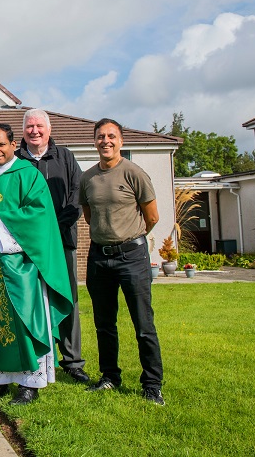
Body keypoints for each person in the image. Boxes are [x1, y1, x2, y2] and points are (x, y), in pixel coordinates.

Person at [0, 123, 73, 406]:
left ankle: (29, 385)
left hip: (22, 267)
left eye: (1, 144)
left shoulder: (29, 176)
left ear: (13, 145)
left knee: (25, 322)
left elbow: (38, 217)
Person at [80, 118, 165, 406]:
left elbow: (151, 217)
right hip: (99, 258)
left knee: (143, 324)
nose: (106, 141)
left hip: (132, 258)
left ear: (121, 141)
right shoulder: (88, 178)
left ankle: (152, 384)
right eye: (101, 136)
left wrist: (128, 238)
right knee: (104, 323)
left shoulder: (134, 173)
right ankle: (109, 377)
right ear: (94, 141)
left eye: (111, 136)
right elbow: (90, 215)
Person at [14, 109, 89, 384]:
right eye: (29, 126)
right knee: (28, 301)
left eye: (39, 126)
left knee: (66, 298)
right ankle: (31, 356)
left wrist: (51, 231)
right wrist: (32, 234)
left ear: (49, 129)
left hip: (60, 243)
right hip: (24, 247)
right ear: (23, 131)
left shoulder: (65, 157)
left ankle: (72, 361)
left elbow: (77, 196)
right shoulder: (16, 160)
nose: (34, 130)